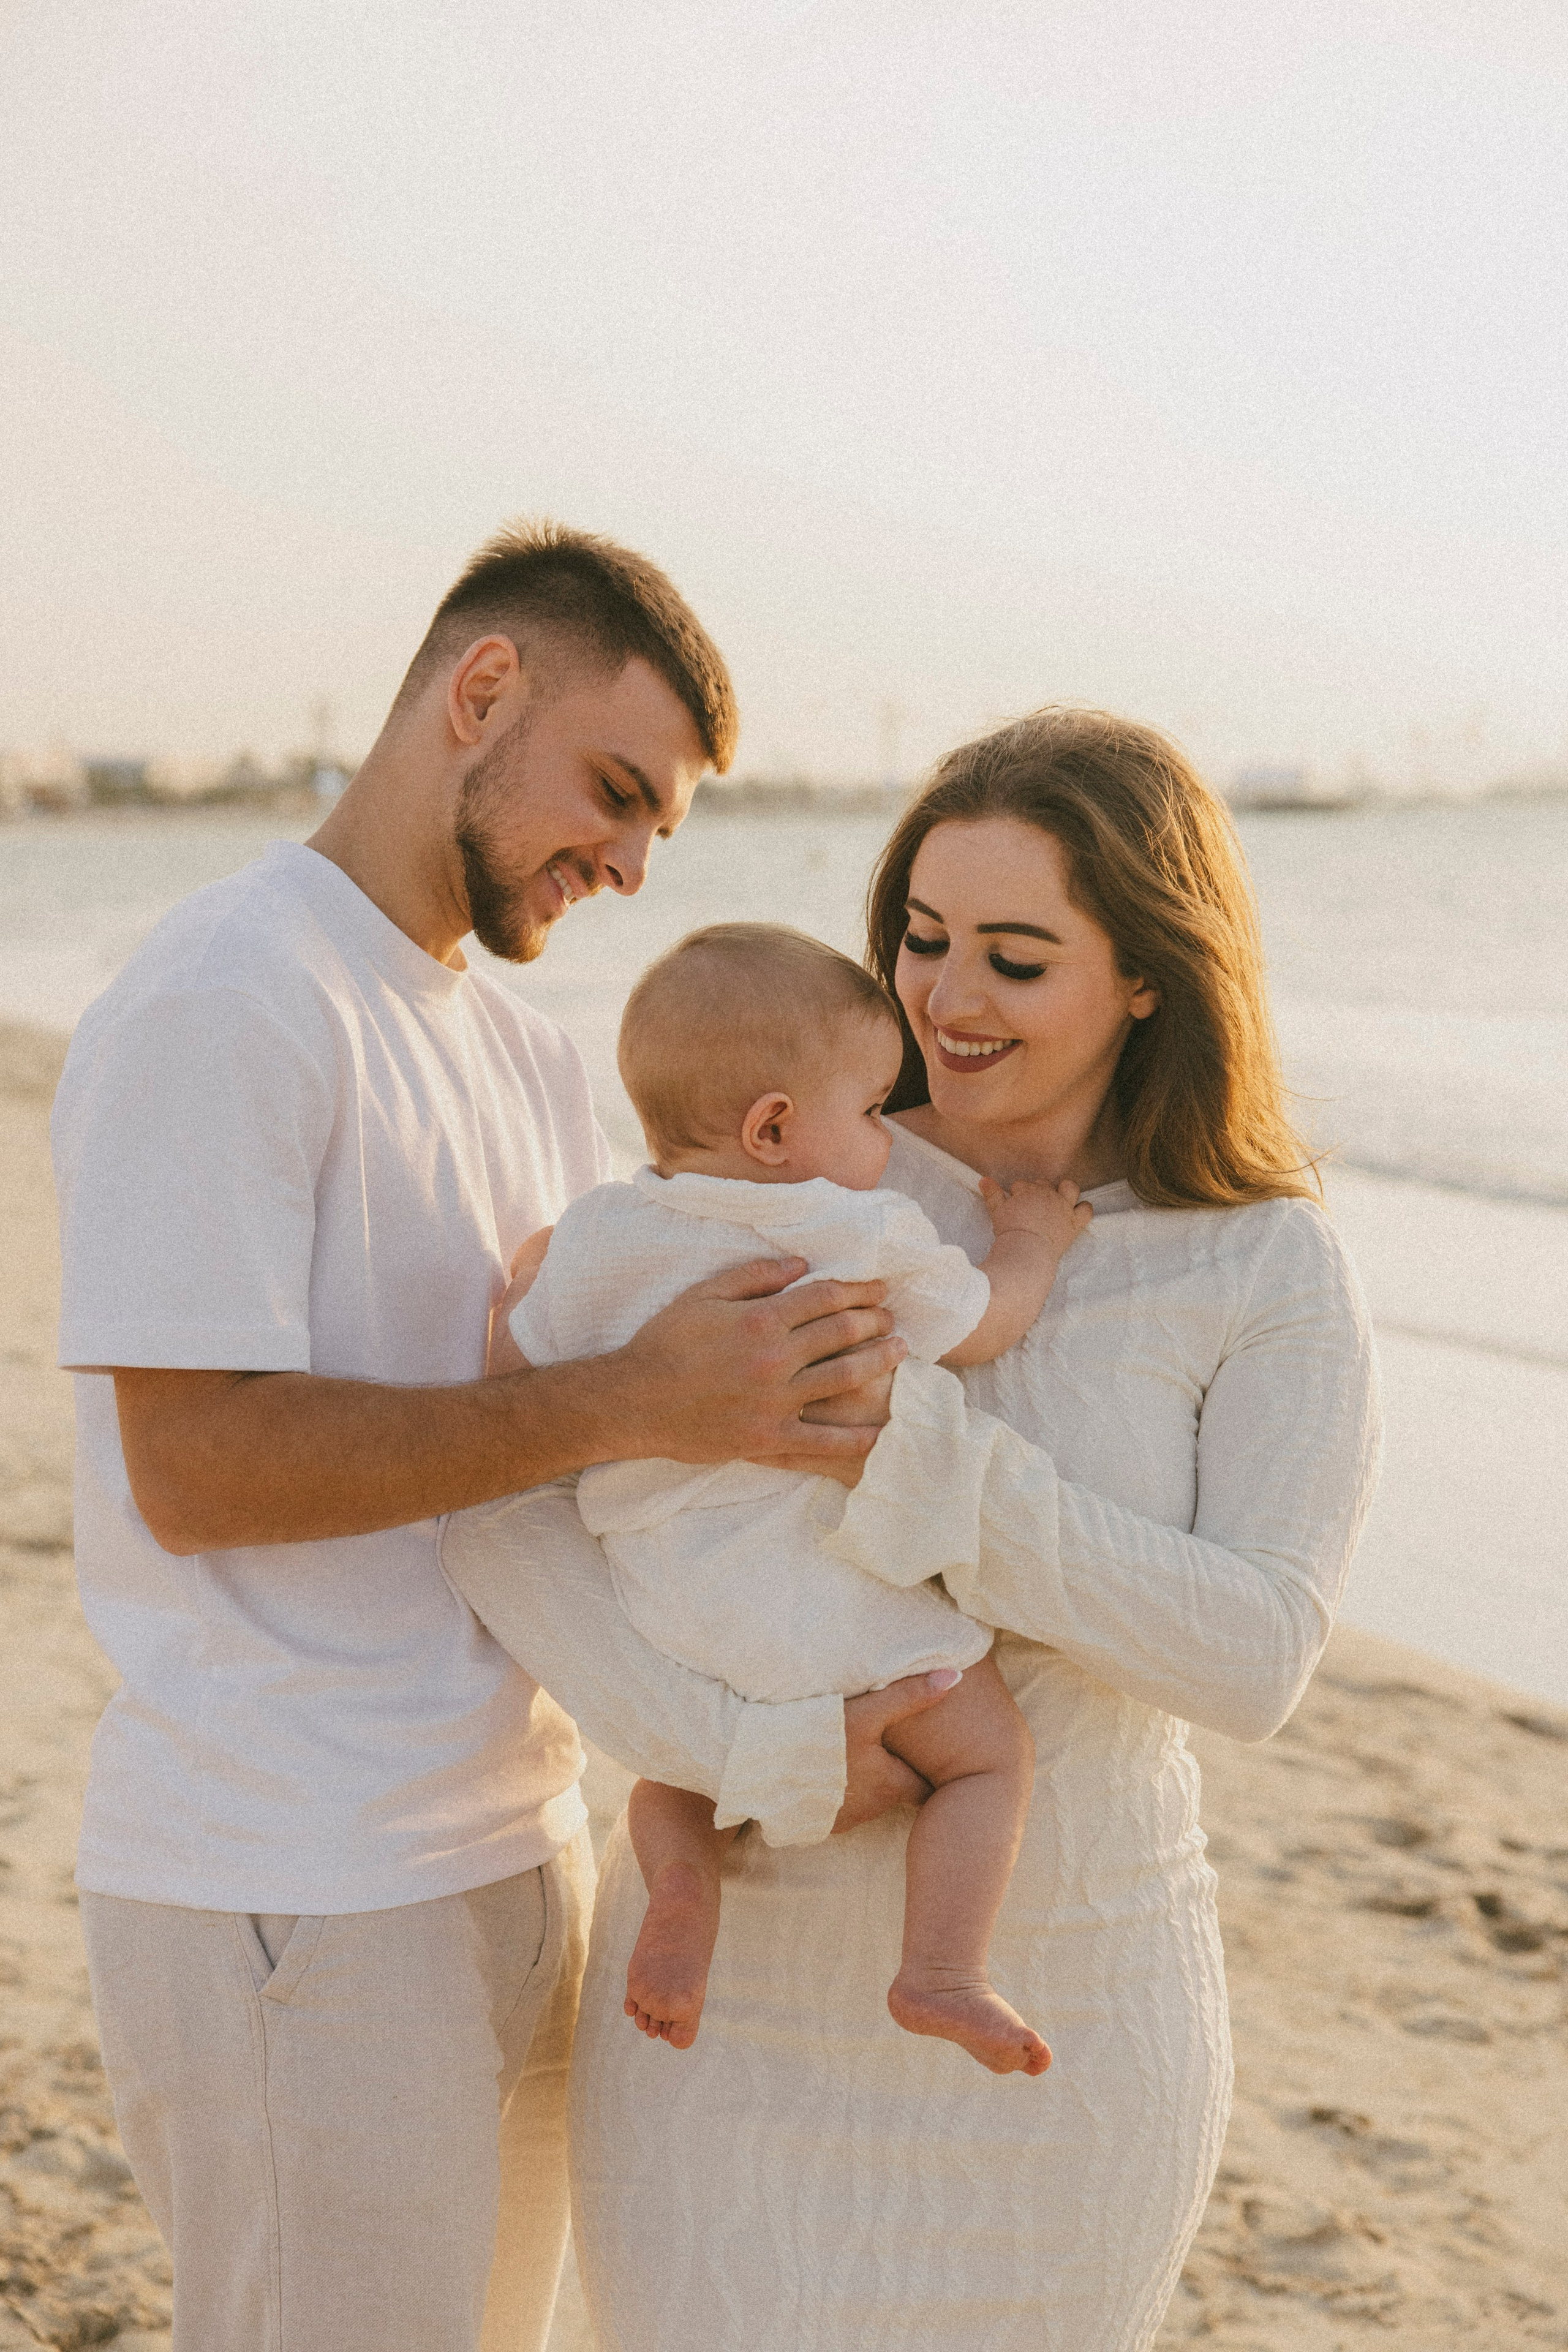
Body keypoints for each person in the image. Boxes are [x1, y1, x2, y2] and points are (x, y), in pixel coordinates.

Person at [50, 521, 953, 2352]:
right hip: (289, 1878)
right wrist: (635, 1397)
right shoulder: (229, 994)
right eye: (615, 793)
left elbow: (571, 1486)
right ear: (480, 692)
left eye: (660, 831)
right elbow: (195, 1469)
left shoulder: (536, 1062)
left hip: (519, 1855)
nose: (629, 865)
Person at [442, 706, 1383, 2352]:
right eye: (923, 938)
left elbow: (1253, 1658)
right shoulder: (789, 1166)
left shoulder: (1263, 1264)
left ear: (1147, 975)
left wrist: (922, 1460)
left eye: (1015, 958)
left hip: (1071, 2014)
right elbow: (509, 1507)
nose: (946, 997)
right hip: (723, 2003)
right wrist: (748, 1749)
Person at [494, 922, 1092, 2073]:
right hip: (820, 1600)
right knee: (986, 1758)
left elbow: (514, 1378)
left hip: (667, 1605)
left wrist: (529, 1282)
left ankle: (683, 1889)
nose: (886, 1136)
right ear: (774, 1129)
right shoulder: (848, 1230)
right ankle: (943, 1970)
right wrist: (1031, 1242)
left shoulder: (602, 1233)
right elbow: (983, 1323)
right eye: (868, 1111)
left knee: (678, 1780)